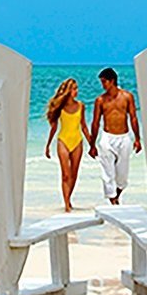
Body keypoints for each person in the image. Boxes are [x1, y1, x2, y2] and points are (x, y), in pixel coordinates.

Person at [89, 67, 141, 204]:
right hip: (107, 138)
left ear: (112, 81)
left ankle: (116, 195)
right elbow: (95, 123)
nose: (102, 85)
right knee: (107, 173)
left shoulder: (127, 97)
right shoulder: (100, 100)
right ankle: (113, 201)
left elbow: (133, 118)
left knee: (122, 175)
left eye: (104, 81)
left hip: (124, 138)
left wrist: (137, 139)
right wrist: (92, 145)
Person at [44, 78, 93, 212]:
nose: (76, 91)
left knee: (74, 174)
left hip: (77, 141)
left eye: (76, 88)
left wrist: (92, 144)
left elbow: (84, 126)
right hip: (63, 141)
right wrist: (48, 145)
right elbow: (54, 127)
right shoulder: (60, 107)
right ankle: (66, 205)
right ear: (67, 91)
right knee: (66, 175)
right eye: (73, 89)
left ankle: (69, 198)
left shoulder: (81, 106)